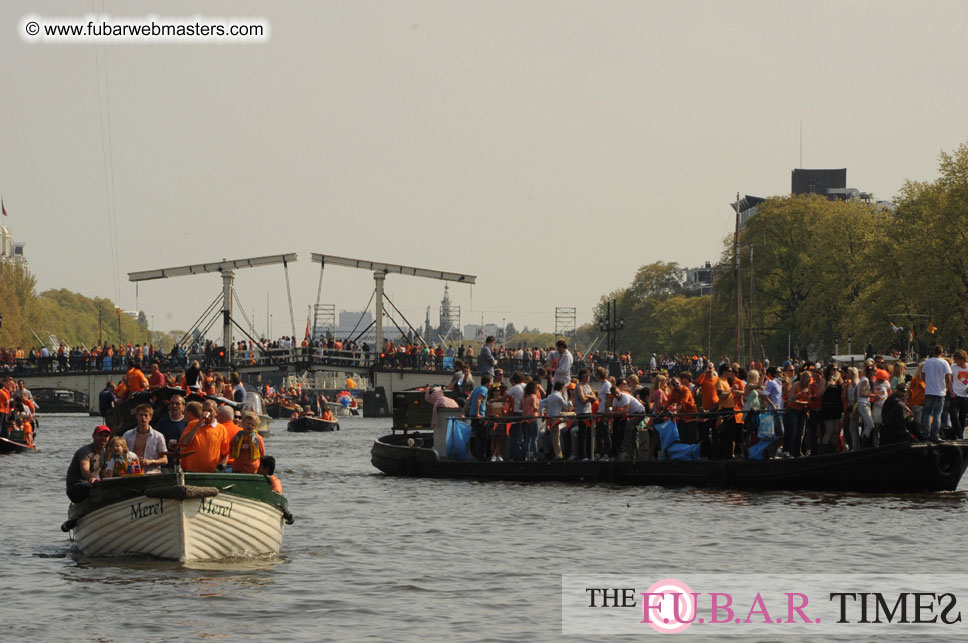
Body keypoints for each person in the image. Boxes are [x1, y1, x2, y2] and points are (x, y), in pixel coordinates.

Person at [178, 399, 229, 472]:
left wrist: (220, 468)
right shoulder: (193, 424)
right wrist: (199, 424)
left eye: (210, 410)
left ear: (216, 412)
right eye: (204, 410)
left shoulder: (222, 429)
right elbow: (184, 442)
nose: (206, 412)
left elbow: (225, 454)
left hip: (211, 473)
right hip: (192, 471)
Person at [66, 425, 112, 502]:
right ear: (93, 436)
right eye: (100, 435)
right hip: (76, 488)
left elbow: (104, 474)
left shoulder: (104, 453)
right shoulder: (86, 452)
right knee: (97, 486)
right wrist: (92, 479)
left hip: (91, 484)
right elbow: (85, 470)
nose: (103, 438)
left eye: (106, 436)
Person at [121, 403, 168, 473]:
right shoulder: (127, 435)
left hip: (151, 474)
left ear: (150, 417)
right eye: (141, 415)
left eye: (146, 415)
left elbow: (165, 460)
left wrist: (151, 462)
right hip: (132, 473)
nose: (143, 418)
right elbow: (120, 455)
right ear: (136, 416)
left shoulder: (158, 436)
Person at [922, 345, 952, 442]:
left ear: (933, 352)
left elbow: (923, 374)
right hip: (940, 392)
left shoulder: (927, 362)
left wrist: (927, 382)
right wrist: (948, 387)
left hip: (929, 391)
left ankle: (926, 435)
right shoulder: (944, 363)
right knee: (937, 414)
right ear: (942, 353)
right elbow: (948, 376)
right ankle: (935, 436)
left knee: (927, 414)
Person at [466, 373, 492, 460]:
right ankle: (482, 455)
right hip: (479, 416)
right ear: (488, 382)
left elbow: (469, 400)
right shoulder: (484, 389)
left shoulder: (477, 388)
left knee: (477, 436)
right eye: (491, 382)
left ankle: (478, 455)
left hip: (473, 415)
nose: (491, 384)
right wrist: (478, 413)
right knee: (482, 436)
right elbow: (479, 400)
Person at [521, 380, 541, 460]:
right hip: (533, 417)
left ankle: (526, 455)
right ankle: (535, 455)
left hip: (525, 418)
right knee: (534, 438)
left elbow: (520, 407)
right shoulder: (534, 396)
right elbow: (534, 407)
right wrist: (539, 408)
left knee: (527, 438)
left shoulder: (524, 396)